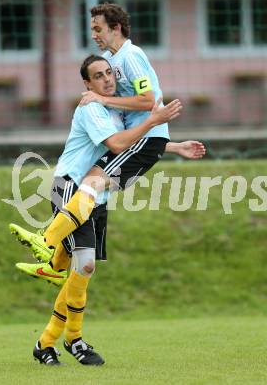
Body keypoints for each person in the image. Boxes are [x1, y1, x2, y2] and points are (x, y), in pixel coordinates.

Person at [11, 3, 205, 280]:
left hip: (143, 139)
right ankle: (53, 264)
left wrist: (102, 99)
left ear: (116, 28)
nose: (93, 34)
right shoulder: (109, 60)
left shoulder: (131, 56)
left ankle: (48, 241)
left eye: (98, 28)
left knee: (89, 184)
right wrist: (172, 146)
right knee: (90, 189)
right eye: (92, 29)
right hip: (141, 141)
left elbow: (148, 100)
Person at [21, 55, 183, 366]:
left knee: (83, 270)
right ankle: (70, 338)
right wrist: (154, 119)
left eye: (109, 73)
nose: (107, 79)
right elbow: (117, 144)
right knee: (84, 266)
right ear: (87, 84)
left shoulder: (113, 107)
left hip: (95, 196)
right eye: (98, 76)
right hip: (70, 187)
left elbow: (130, 143)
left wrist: (173, 146)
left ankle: (49, 342)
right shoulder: (92, 107)